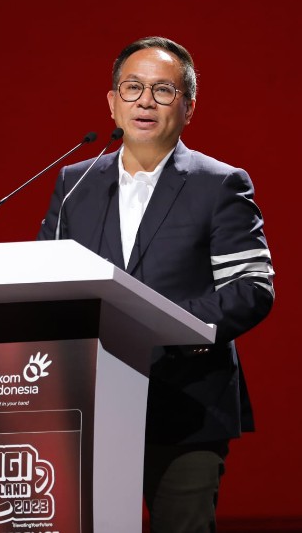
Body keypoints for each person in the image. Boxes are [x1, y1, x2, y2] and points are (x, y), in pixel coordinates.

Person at [37, 36, 275, 533]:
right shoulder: (75, 182)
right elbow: (48, 279)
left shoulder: (220, 183)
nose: (145, 101)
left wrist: (162, 329)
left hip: (186, 405)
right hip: (91, 404)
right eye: (133, 87)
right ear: (113, 102)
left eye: (163, 90)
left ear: (188, 107)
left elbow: (251, 287)